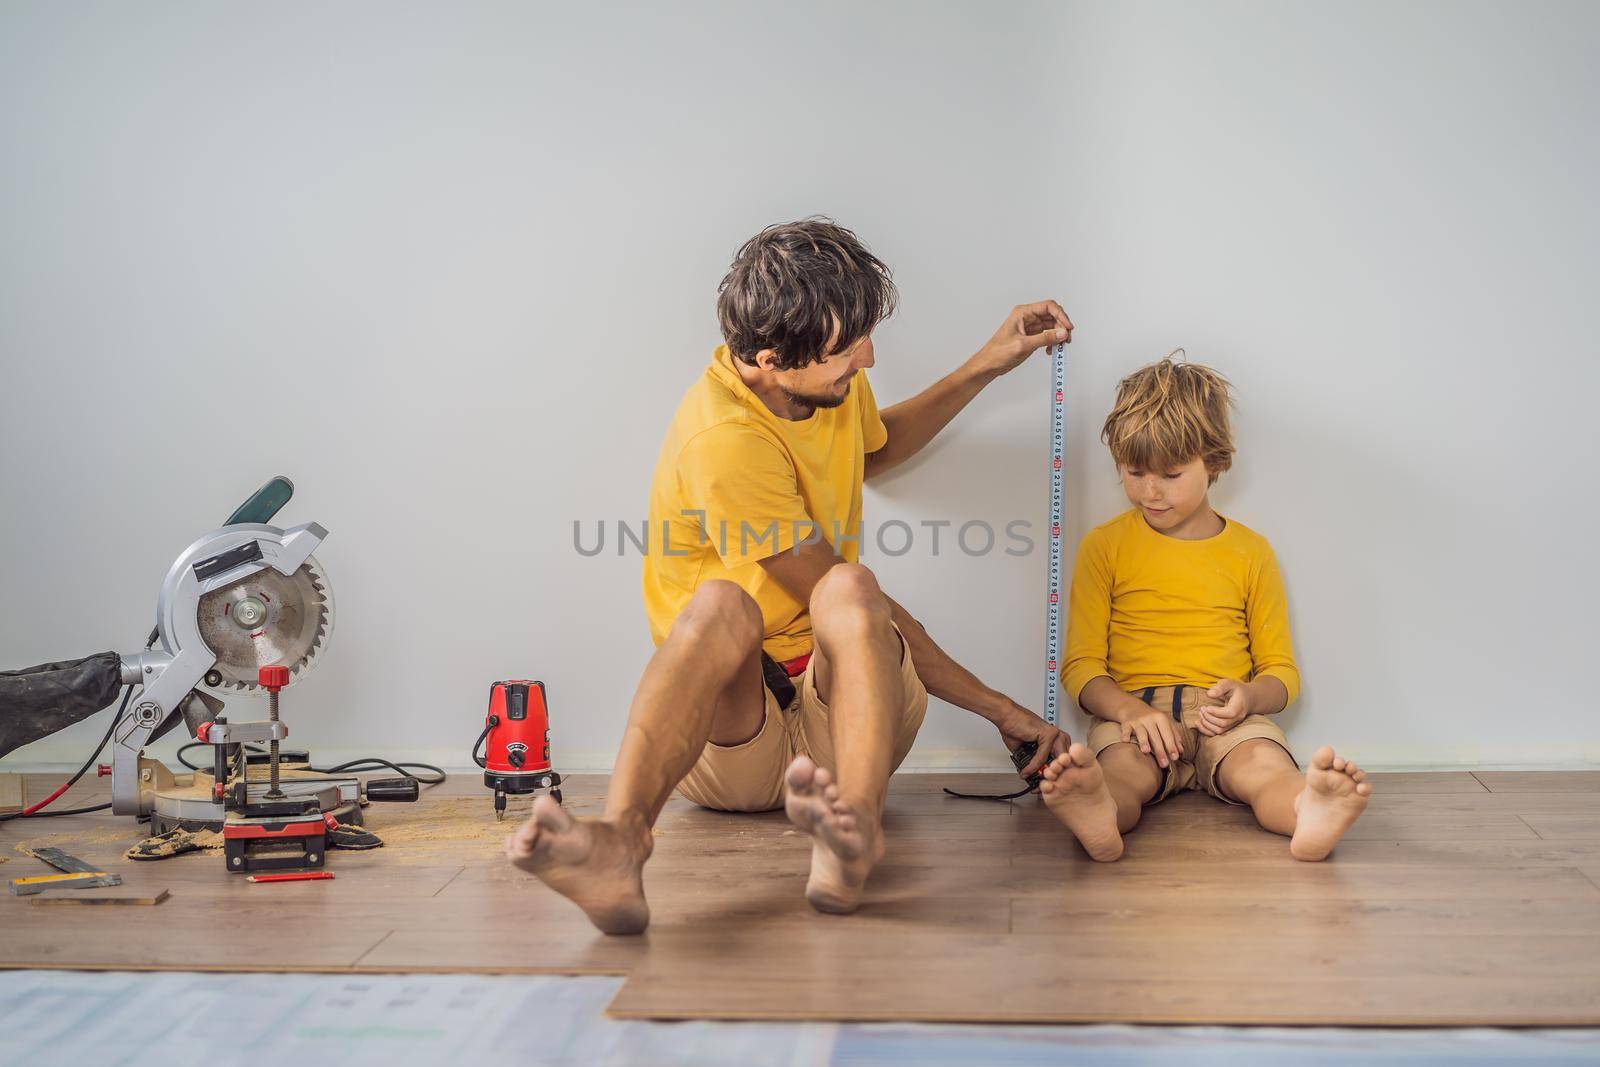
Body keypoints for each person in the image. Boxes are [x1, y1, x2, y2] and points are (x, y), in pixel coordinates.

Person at [508, 218, 1073, 932]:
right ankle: (618, 844)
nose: (866, 357)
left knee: (848, 588)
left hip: (844, 715)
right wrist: (1001, 708)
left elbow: (879, 443)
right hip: (742, 735)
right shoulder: (725, 439)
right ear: (770, 361)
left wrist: (986, 363)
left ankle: (853, 830)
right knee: (731, 603)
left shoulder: (827, 380)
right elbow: (828, 583)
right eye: (848, 348)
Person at [1040, 352, 1371, 862]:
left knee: (1264, 769)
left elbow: (1282, 674)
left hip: (1226, 719)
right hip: (1137, 715)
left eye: (1171, 474)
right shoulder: (1104, 547)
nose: (1150, 491)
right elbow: (1081, 668)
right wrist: (1130, 711)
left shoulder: (1250, 551)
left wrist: (1248, 697)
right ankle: (1098, 814)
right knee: (1121, 775)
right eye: (1134, 471)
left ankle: (1310, 811)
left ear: (1214, 463)